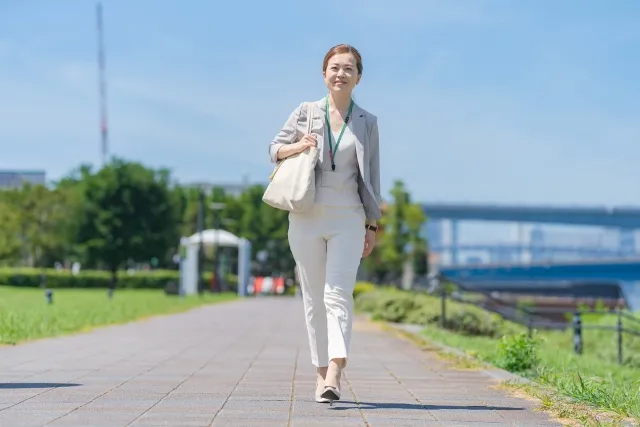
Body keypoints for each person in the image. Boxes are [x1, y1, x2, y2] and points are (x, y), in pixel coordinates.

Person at [268, 44, 382, 404]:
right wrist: (299, 145)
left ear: (359, 77)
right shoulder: (305, 112)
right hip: (305, 214)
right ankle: (321, 377)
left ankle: (335, 370)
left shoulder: (367, 122)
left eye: (348, 69)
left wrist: (372, 226)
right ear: (323, 73)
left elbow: (373, 178)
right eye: (334, 67)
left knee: (338, 295)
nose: (340, 74)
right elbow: (273, 149)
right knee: (314, 300)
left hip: (348, 216)